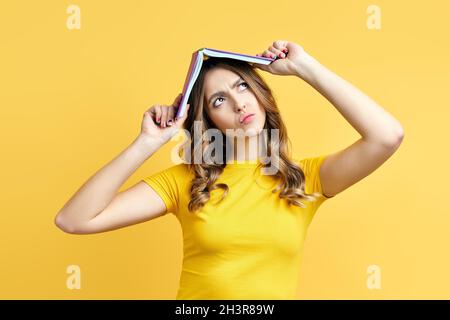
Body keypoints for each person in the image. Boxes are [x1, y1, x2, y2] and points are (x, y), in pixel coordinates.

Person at [55, 40, 404, 299]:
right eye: (218, 100)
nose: (238, 103)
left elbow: (387, 136)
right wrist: (147, 143)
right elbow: (73, 220)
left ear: (260, 93)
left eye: (242, 86)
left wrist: (304, 67)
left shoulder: (303, 179)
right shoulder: (186, 182)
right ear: (209, 120)